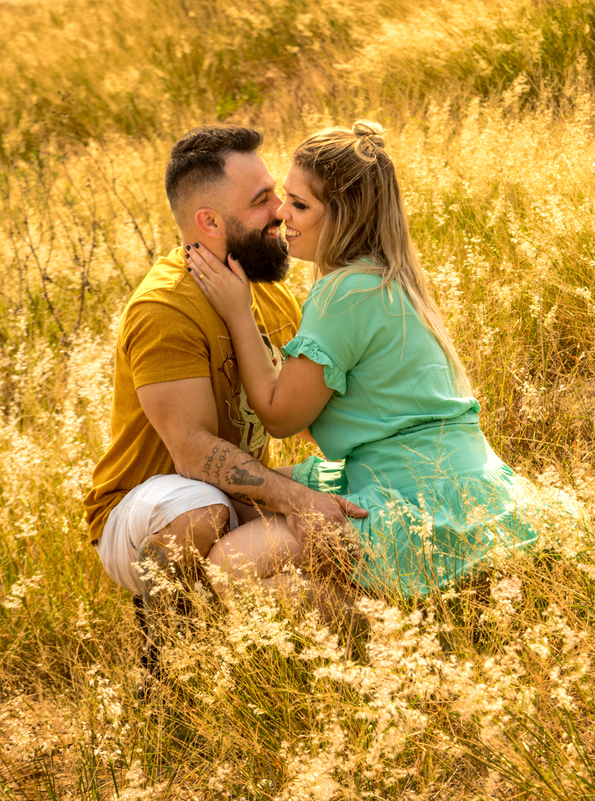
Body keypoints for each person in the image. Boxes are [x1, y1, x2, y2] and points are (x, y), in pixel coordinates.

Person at [186, 120, 540, 598]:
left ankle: (371, 631)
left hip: (416, 493)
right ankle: (383, 604)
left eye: (300, 205)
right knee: (245, 496)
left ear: (344, 217)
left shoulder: (346, 293)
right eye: (284, 198)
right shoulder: (388, 277)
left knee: (231, 564)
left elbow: (279, 416)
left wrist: (237, 311)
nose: (281, 215)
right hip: (447, 478)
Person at [83, 125, 368, 642]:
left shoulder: (266, 292)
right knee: (199, 507)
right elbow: (192, 455)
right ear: (209, 221)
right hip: (146, 513)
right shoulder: (165, 308)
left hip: (236, 497)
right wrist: (298, 500)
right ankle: (165, 658)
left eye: (278, 195)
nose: (281, 210)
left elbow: (299, 413)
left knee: (329, 546)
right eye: (261, 201)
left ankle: (243, 657)